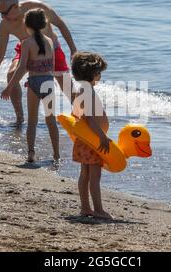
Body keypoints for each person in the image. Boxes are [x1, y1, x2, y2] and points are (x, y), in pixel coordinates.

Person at [0, 0, 77, 126]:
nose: (2, 16)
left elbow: (60, 24)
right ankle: (19, 119)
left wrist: (73, 50)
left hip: (50, 49)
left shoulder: (38, 8)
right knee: (11, 74)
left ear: (15, 6)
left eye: (5, 13)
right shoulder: (5, 25)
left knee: (66, 85)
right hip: (26, 49)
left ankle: (81, 116)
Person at [1, 9, 59, 164]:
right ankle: (56, 155)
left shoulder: (26, 43)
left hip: (34, 83)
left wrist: (10, 87)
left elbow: (21, 68)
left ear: (26, 25)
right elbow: (51, 66)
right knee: (51, 120)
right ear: (43, 24)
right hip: (48, 82)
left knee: (32, 121)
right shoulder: (50, 41)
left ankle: (31, 153)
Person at [70, 51, 113, 219]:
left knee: (85, 174)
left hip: (85, 139)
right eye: (99, 72)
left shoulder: (81, 90)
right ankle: (98, 209)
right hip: (92, 140)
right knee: (95, 176)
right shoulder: (86, 91)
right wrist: (102, 137)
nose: (100, 75)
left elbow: (77, 114)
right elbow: (88, 117)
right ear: (94, 73)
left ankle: (85, 208)